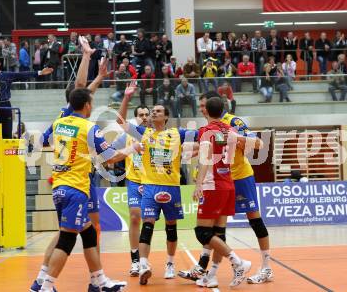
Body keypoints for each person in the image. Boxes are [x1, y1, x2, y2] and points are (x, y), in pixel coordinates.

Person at [32, 39, 114, 292]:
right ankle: (44, 281)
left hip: (78, 176)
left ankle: (96, 280)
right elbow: (80, 89)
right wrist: (87, 56)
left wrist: (98, 77)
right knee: (67, 234)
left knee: (89, 229)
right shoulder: (68, 116)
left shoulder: (70, 115)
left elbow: (83, 94)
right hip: (75, 179)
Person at [38, 88, 136, 292]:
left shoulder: (59, 123)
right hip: (75, 189)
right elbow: (110, 158)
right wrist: (131, 149)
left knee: (89, 233)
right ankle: (46, 286)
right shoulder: (88, 127)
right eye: (91, 103)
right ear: (87, 105)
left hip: (59, 188)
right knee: (67, 239)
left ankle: (99, 282)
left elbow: (43, 142)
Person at [179, 91, 272, 285]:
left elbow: (259, 143)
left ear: (214, 106)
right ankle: (208, 272)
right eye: (200, 106)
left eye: (204, 106)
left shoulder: (233, 123)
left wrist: (234, 137)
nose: (201, 109)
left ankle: (266, 268)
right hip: (224, 179)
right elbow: (207, 148)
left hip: (240, 177)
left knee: (254, 221)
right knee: (216, 229)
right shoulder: (208, 127)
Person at [116, 88, 198, 286]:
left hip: (171, 187)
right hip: (150, 186)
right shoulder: (144, 132)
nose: (153, 113)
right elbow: (120, 121)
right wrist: (127, 97)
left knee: (171, 226)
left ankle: (170, 263)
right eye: (152, 111)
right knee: (148, 224)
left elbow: (204, 135)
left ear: (166, 117)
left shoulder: (177, 134)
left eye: (158, 111)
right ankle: (144, 264)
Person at [193, 97, 252, 288]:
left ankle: (238, 262)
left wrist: (198, 184)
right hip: (228, 184)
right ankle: (212, 276)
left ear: (206, 112)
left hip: (213, 185)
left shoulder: (205, 131)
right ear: (223, 111)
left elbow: (204, 159)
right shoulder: (231, 130)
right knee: (218, 232)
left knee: (202, 233)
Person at [110, 105, 150, 277]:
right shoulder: (127, 135)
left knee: (149, 222)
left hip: (153, 182)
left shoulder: (156, 135)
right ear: (135, 118)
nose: (145, 117)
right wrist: (125, 152)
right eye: (141, 115)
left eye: (147, 114)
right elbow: (111, 150)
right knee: (135, 217)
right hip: (134, 180)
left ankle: (144, 262)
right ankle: (135, 259)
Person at [0, 56, 53, 139]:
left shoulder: (6, 75)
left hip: (5, 106)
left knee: (7, 134)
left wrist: (39, 73)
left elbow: (22, 75)